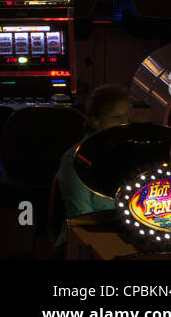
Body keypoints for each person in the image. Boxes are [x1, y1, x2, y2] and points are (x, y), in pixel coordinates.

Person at [56, 84, 132, 247]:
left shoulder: (129, 153)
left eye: (126, 117)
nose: (124, 123)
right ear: (95, 120)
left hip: (125, 236)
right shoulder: (75, 159)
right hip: (84, 240)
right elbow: (81, 216)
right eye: (116, 118)